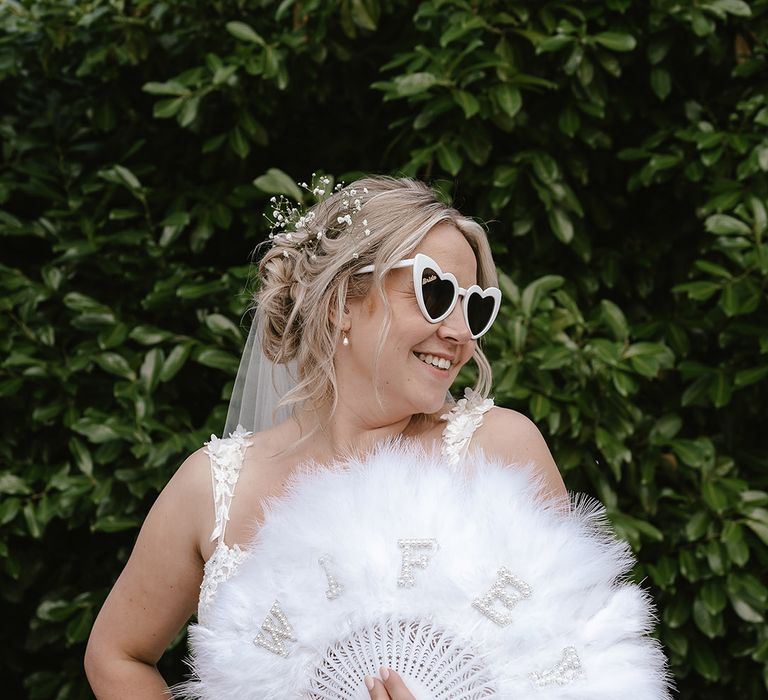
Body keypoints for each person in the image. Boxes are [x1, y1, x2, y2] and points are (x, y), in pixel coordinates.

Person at [85, 176, 671, 699]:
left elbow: (576, 667)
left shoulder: (498, 450)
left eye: (477, 307)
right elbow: (116, 656)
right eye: (436, 293)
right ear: (343, 300)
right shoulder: (212, 488)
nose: (459, 332)